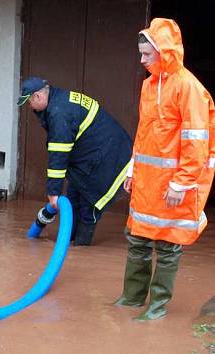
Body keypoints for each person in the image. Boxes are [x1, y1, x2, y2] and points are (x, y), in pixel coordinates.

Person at [115, 18, 215, 321]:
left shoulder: (189, 88)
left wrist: (181, 184)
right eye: (141, 54)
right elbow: (144, 134)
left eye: (147, 54)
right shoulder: (149, 85)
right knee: (138, 238)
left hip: (173, 185)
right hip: (147, 183)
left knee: (168, 245)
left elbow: (197, 141)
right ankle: (131, 299)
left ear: (166, 52)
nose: (142, 60)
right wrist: (132, 171)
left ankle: (156, 308)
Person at [17, 77, 133, 246]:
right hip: (90, 160)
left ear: (38, 97)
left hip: (107, 162)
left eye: (29, 102)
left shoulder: (59, 113)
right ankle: (70, 243)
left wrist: (53, 193)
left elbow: (58, 155)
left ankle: (81, 247)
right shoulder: (59, 100)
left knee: (88, 207)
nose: (29, 107)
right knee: (72, 202)